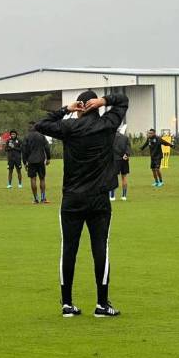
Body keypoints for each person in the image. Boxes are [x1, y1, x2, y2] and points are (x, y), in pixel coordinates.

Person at [35, 91, 129, 318]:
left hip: (72, 198)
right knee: (100, 249)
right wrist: (106, 100)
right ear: (96, 106)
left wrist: (66, 109)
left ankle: (67, 304)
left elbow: (42, 124)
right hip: (98, 198)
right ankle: (102, 304)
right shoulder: (107, 124)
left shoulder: (70, 128)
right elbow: (123, 101)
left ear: (80, 108)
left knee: (69, 249)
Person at [23, 121, 51, 204]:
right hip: (40, 160)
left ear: (30, 127)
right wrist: (48, 158)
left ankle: (35, 199)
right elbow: (47, 147)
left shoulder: (27, 137)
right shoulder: (41, 136)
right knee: (42, 179)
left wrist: (25, 162)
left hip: (31, 160)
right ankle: (43, 198)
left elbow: (24, 150)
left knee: (33, 178)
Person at [110, 126, 131, 201]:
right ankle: (124, 196)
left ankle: (112, 196)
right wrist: (126, 155)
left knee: (113, 177)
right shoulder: (125, 138)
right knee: (124, 177)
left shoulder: (110, 137)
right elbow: (128, 148)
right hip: (124, 159)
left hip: (115, 160)